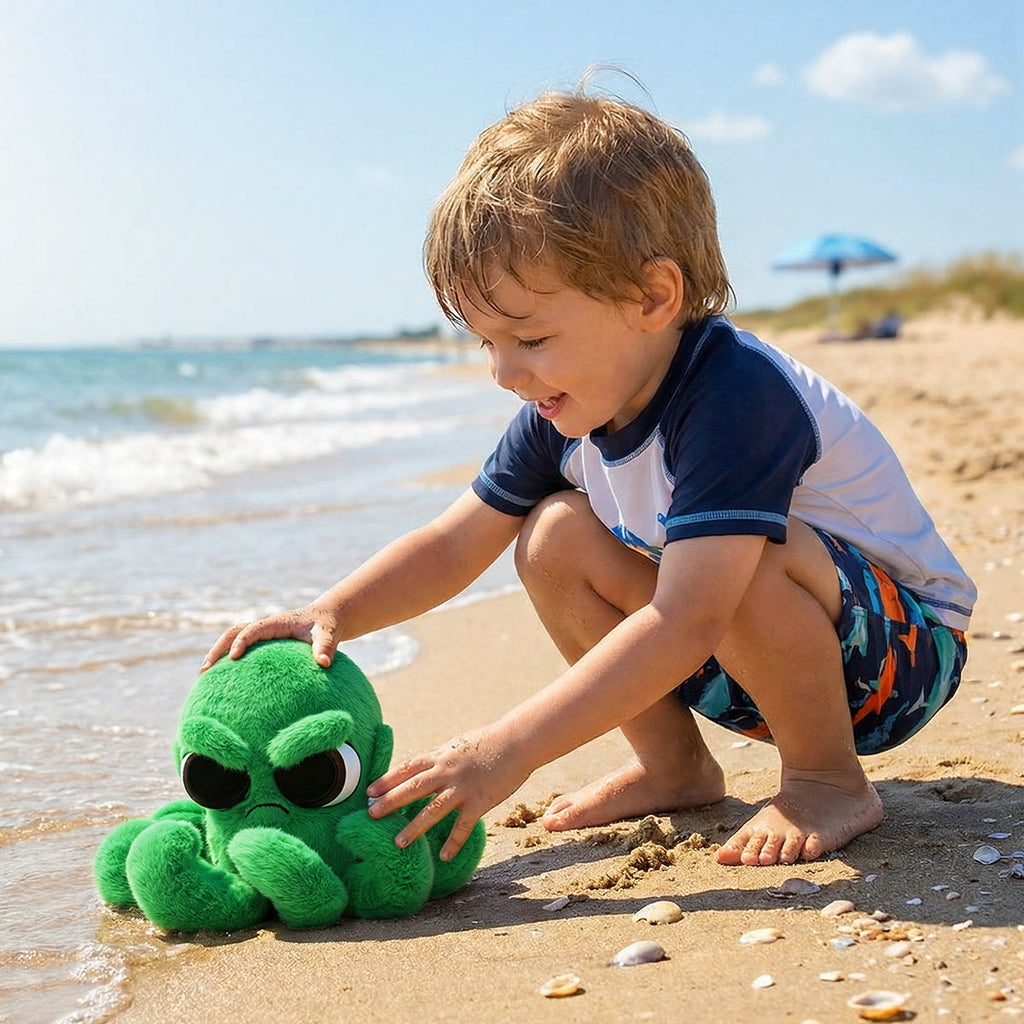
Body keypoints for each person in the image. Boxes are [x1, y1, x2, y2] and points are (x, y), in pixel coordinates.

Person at [201, 88, 975, 868]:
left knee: (746, 555)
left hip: (898, 661)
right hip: (749, 655)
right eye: (486, 343)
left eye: (530, 336)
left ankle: (826, 779)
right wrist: (331, 611)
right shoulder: (563, 414)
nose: (506, 372)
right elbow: (450, 544)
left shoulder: (736, 396)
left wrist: (505, 751)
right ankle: (674, 765)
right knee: (550, 537)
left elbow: (688, 619)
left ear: (652, 296)